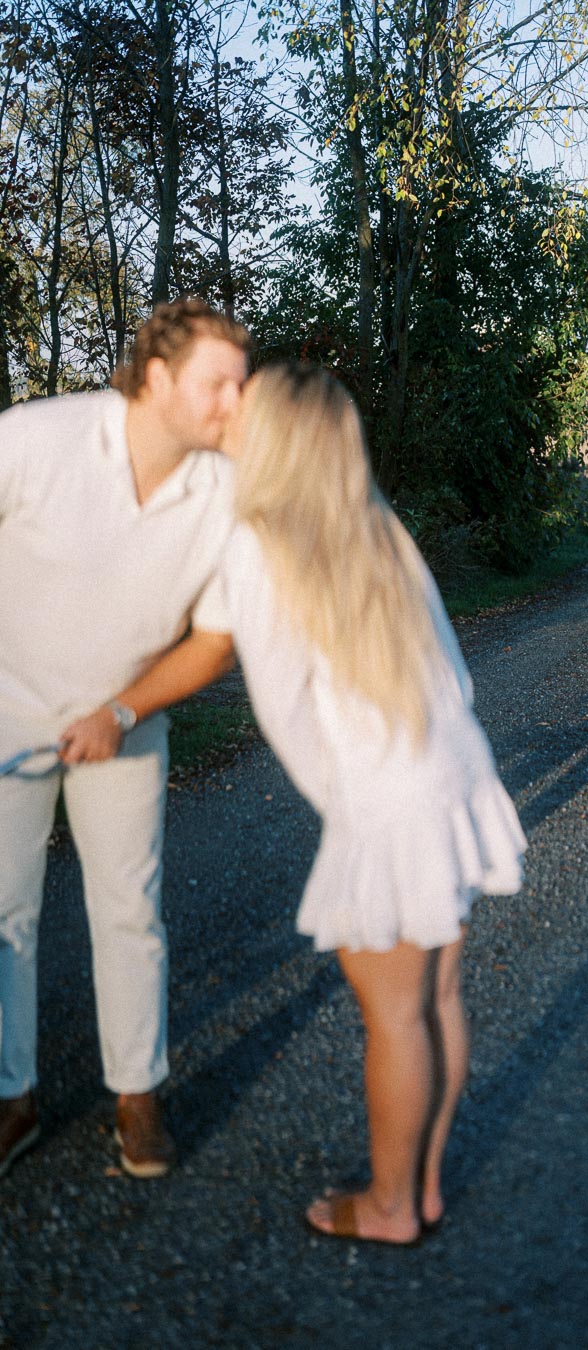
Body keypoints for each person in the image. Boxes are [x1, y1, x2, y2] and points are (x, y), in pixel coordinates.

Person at [220, 363, 526, 1246]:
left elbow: (284, 717)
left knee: (394, 1013)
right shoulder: (378, 526)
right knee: (438, 996)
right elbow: (454, 665)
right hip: (457, 771)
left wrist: (349, 819)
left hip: (394, 801)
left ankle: (391, 1207)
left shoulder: (258, 540)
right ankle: (422, 1186)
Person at [0, 297, 250, 1180]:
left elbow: (217, 640)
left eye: (242, 384)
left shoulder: (226, 488)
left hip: (125, 719)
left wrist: (119, 715)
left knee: (129, 909)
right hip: (7, 711)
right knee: (4, 915)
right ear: (156, 378)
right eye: (218, 384)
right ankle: (13, 1099)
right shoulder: (36, 438)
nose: (236, 401)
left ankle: (137, 1098)